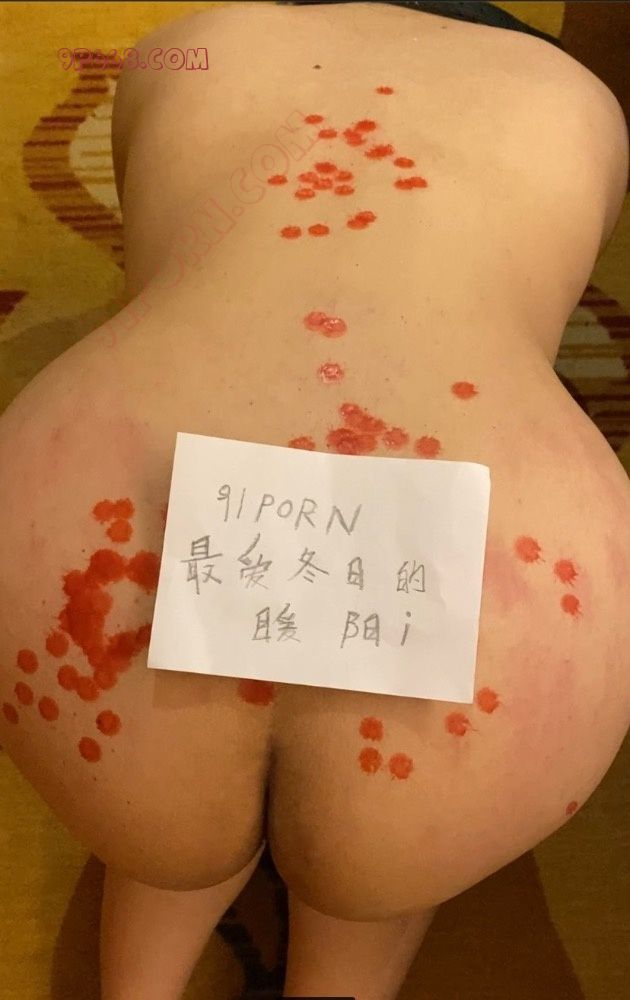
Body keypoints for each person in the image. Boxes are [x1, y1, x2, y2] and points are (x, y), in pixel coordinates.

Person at [1, 3, 629, 998]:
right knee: (371, 871)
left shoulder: (186, 50)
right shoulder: (580, 100)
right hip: (508, 588)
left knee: (168, 807)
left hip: (95, 519)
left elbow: (152, 261)